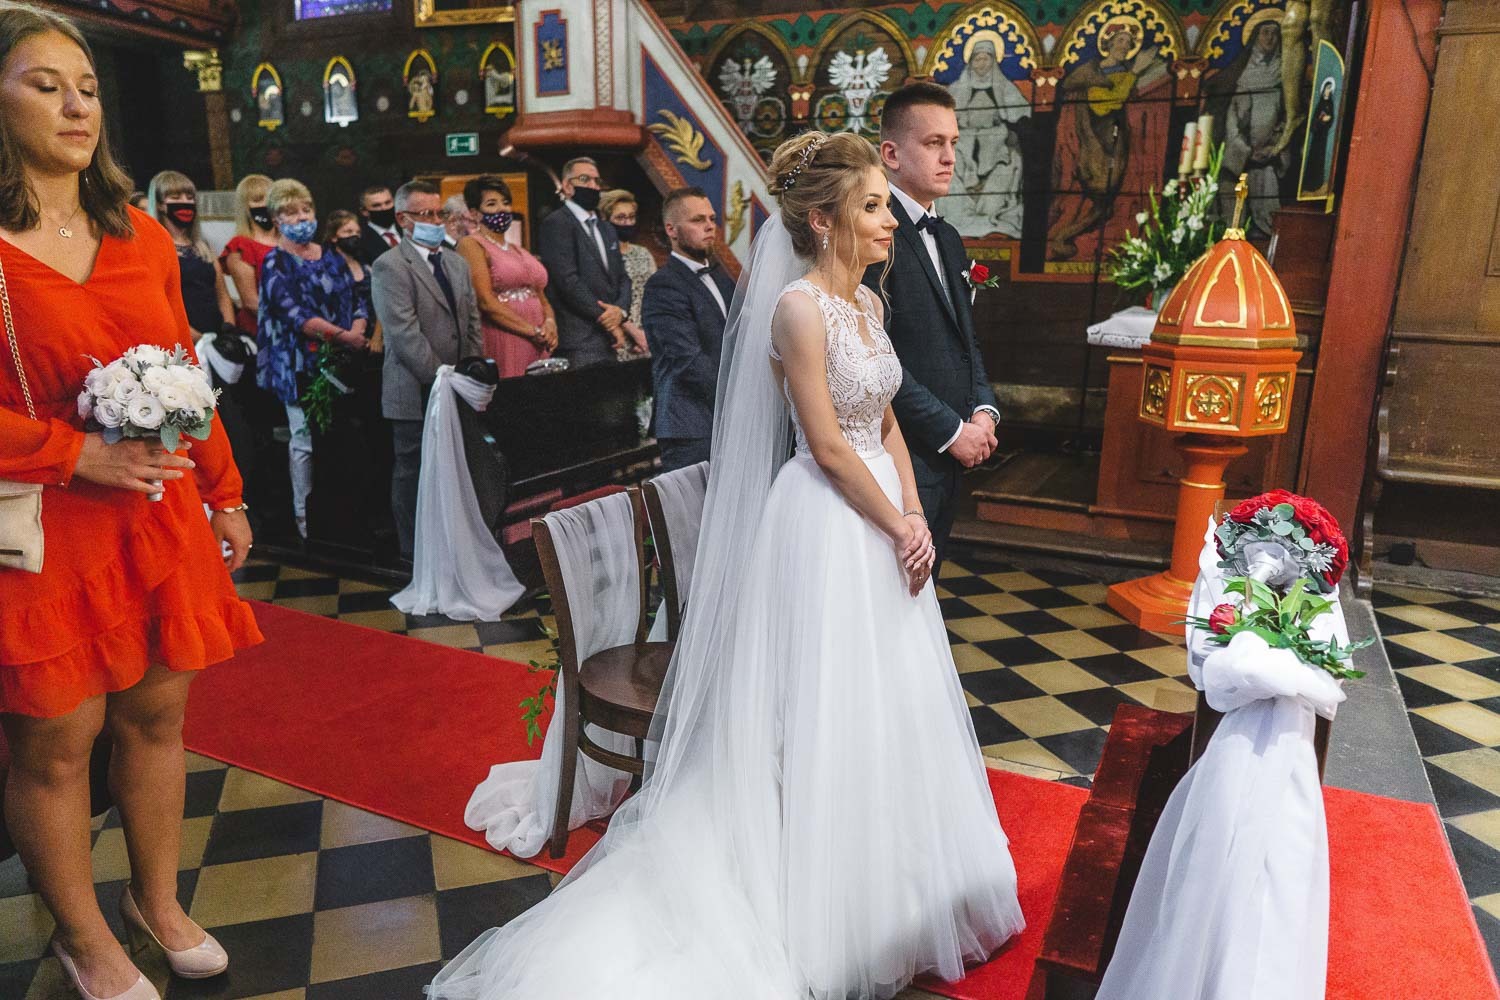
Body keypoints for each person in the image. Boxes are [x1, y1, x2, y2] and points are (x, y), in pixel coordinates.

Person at [433, 130, 1021, 1000]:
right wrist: (894, 521)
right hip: (826, 522)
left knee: (887, 695)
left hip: (880, 515)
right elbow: (827, 444)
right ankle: (816, 888)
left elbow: (886, 418)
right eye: (871, 206)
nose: (888, 220)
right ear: (822, 220)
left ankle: (897, 875)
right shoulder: (797, 310)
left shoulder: (870, 304)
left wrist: (909, 509)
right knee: (819, 700)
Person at [0, 8, 260, 1000]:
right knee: (57, 746)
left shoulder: (137, 232)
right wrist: (75, 454)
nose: (77, 107)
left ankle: (157, 902)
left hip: (156, 512)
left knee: (157, 720)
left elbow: (185, 370)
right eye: (45, 85)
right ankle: (83, 936)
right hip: (46, 526)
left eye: (88, 88)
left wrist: (224, 489)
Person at [863, 82, 1000, 577]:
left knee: (926, 594)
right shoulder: (874, 234)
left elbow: (967, 341)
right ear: (891, 154)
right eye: (933, 143)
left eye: (953, 143)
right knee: (893, 591)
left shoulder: (948, 237)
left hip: (951, 457)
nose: (949, 157)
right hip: (900, 453)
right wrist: (950, 431)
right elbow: (874, 355)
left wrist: (983, 410)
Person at [371, 180, 483, 559]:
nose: (436, 221)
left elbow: (472, 323)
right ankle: (414, 554)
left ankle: (452, 549)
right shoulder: (389, 266)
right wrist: (443, 380)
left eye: (440, 213)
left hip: (459, 385)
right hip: (415, 388)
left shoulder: (455, 262)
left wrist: (472, 373)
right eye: (426, 214)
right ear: (403, 219)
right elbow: (404, 335)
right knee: (414, 470)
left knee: (456, 468)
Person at [255, 178, 369, 539]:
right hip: (296, 363)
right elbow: (295, 315)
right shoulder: (275, 262)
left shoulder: (330, 255)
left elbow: (357, 297)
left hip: (341, 360)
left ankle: (343, 513)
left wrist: (358, 328)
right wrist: (343, 336)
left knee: (342, 439)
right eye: (291, 212)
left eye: (306, 210)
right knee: (303, 440)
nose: (301, 217)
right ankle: (304, 517)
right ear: (276, 219)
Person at [640, 186, 734, 471]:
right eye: (697, 220)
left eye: (712, 219)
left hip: (728, 416)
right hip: (690, 423)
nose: (709, 226)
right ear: (672, 230)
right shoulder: (663, 285)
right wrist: (738, 397)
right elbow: (687, 360)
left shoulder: (722, 276)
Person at [456, 174, 556, 377]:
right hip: (505, 337)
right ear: (475, 213)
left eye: (505, 202)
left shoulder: (517, 249)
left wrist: (550, 323)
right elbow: (485, 302)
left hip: (539, 341)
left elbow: (540, 294)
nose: (502, 209)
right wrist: (532, 331)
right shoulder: (471, 244)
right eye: (492, 204)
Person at [537, 156, 632, 367]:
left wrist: (620, 311)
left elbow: (623, 277)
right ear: (567, 186)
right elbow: (567, 281)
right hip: (579, 338)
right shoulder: (556, 223)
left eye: (597, 181)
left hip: (608, 338)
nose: (593, 186)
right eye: (584, 179)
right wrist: (607, 319)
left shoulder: (606, 228)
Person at [939, 37, 1031, 239]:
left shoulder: (1004, 87)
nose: (981, 64)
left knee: (1011, 162)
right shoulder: (957, 88)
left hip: (996, 138)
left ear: (993, 60)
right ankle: (961, 218)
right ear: (970, 61)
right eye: (977, 59)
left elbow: (1021, 114)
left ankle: (990, 215)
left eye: (985, 59)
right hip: (962, 140)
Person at [147, 170, 235, 341]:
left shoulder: (202, 246)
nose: (185, 202)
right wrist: (197, 338)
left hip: (218, 335)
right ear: (159, 205)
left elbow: (222, 294)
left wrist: (229, 327)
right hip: (183, 338)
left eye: (190, 197)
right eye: (175, 197)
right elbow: (160, 304)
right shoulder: (154, 249)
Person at [219, 173, 276, 336]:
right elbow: (251, 302)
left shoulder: (290, 241)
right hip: (263, 329)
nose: (265, 205)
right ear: (245, 207)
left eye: (270, 199)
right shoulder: (241, 246)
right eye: (258, 200)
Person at [599, 187, 652, 354]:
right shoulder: (601, 256)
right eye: (620, 218)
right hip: (617, 338)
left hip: (647, 338)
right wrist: (634, 333)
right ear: (606, 219)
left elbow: (654, 295)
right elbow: (604, 301)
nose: (628, 223)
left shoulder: (643, 253)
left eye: (631, 217)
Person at [354, 183, 400, 263]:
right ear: (364, 211)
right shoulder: (361, 240)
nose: (384, 208)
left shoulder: (409, 228)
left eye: (388, 203)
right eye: (376, 205)